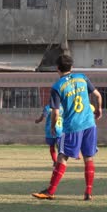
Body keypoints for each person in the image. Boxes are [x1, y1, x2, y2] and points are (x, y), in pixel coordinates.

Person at [32, 55, 102, 201]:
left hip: (72, 126)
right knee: (88, 157)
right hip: (89, 123)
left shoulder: (57, 87)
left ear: (57, 68)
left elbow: (55, 112)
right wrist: (99, 110)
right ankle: (88, 192)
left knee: (62, 156)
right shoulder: (82, 77)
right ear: (71, 67)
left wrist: (52, 127)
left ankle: (50, 191)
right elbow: (98, 95)